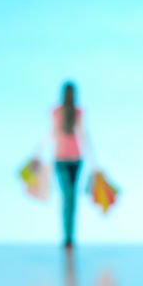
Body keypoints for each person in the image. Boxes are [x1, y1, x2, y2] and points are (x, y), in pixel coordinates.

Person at [50, 81, 85, 248]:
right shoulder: (57, 112)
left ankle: (69, 237)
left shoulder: (76, 112)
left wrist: (94, 162)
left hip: (72, 159)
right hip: (65, 159)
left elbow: (82, 134)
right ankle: (68, 237)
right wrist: (37, 151)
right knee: (69, 197)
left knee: (69, 198)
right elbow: (53, 133)